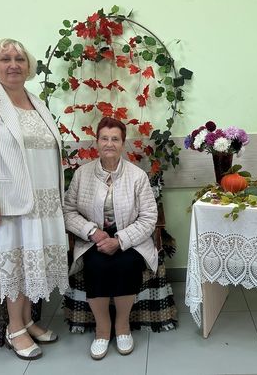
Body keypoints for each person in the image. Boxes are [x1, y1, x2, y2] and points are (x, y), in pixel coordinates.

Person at [0, 38, 68, 360]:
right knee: (16, 265)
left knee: (32, 264)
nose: (13, 65)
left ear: (28, 66)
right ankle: (15, 328)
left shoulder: (36, 101)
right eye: (5, 59)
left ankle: (28, 320)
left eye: (19, 59)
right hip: (7, 202)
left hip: (43, 203)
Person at [63, 117, 158, 360]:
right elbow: (68, 211)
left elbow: (149, 217)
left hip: (130, 238)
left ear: (123, 144)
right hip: (93, 239)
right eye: (104, 138)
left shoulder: (137, 176)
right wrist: (92, 232)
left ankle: (122, 326)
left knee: (127, 263)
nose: (109, 144)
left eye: (115, 139)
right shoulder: (82, 174)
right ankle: (102, 329)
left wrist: (120, 240)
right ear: (96, 142)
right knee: (96, 264)